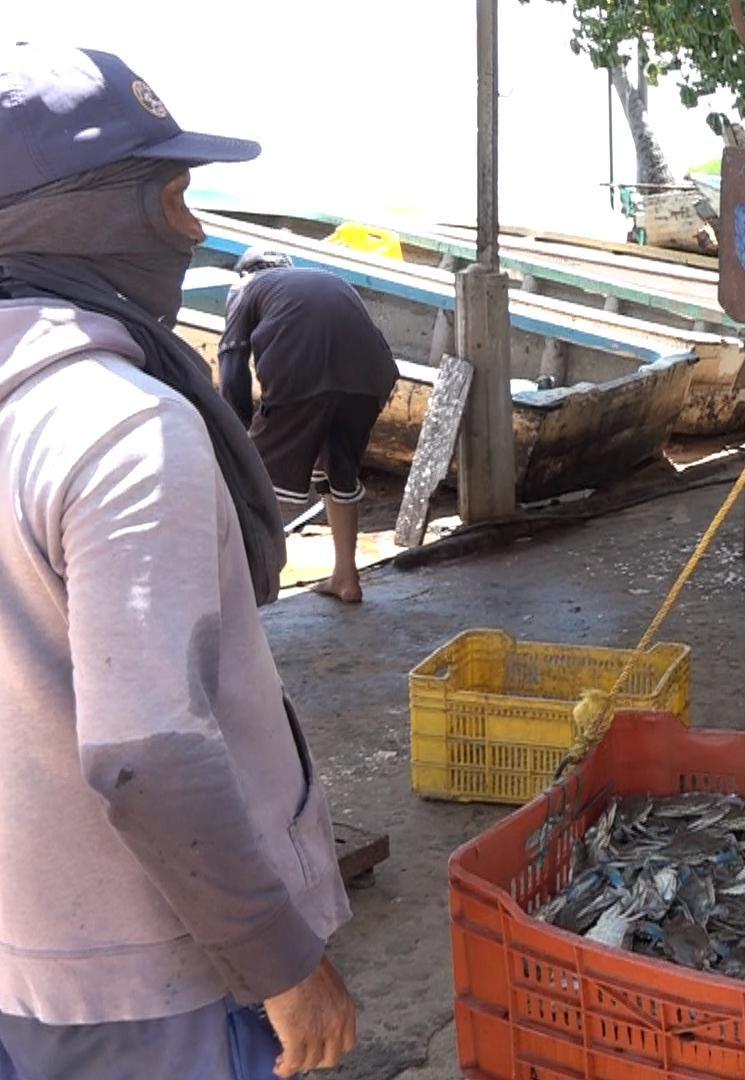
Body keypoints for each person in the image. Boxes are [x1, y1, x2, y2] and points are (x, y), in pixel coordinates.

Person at [0, 44, 358, 1078]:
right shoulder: (123, 425)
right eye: (172, 199)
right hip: (148, 974)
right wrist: (282, 962)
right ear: (80, 214)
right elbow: (148, 749)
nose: (194, 233)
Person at [220, 247, 398, 603]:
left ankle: (238, 590)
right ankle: (346, 578)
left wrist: (235, 437)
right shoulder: (327, 279)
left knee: (249, 479)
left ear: (245, 273)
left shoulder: (247, 288)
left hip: (303, 372)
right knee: (337, 474)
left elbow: (232, 364)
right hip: (372, 379)